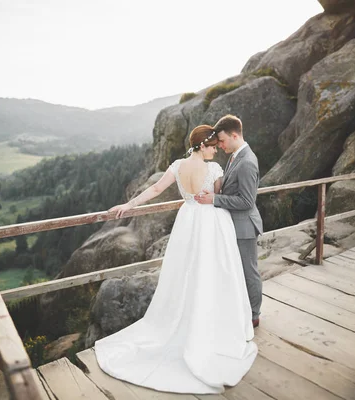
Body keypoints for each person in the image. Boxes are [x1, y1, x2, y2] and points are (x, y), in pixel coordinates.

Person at [95, 124, 257, 394]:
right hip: (212, 222)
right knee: (215, 272)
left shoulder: (177, 166)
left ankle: (186, 319)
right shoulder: (215, 170)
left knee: (186, 273)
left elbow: (156, 189)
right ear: (202, 145)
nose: (216, 150)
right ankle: (213, 325)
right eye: (213, 146)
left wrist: (129, 205)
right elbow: (220, 197)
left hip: (188, 220)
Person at [195, 115, 263, 328]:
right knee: (236, 270)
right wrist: (214, 189)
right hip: (232, 224)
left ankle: (253, 315)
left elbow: (246, 200)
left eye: (223, 141)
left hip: (244, 226)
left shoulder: (247, 162)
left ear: (235, 135)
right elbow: (230, 186)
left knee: (248, 270)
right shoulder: (235, 156)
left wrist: (214, 199)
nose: (220, 145)